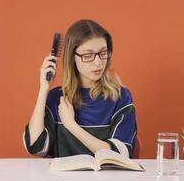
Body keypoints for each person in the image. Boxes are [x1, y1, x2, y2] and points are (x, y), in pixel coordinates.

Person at [23, 19, 137, 158]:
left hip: (106, 179)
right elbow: (35, 147)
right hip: (61, 180)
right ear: (72, 57)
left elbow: (119, 155)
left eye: (103, 53)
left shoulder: (120, 97)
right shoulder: (55, 99)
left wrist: (71, 125)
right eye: (88, 55)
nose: (98, 62)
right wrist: (44, 89)